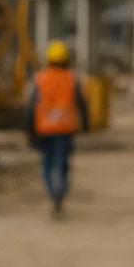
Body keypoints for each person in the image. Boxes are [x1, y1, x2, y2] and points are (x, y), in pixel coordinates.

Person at [27, 39, 88, 218]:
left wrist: (29, 129)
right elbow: (81, 103)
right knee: (61, 162)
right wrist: (85, 124)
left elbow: (31, 106)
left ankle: (53, 192)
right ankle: (60, 190)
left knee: (47, 162)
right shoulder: (71, 78)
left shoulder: (40, 78)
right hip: (65, 127)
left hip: (44, 128)